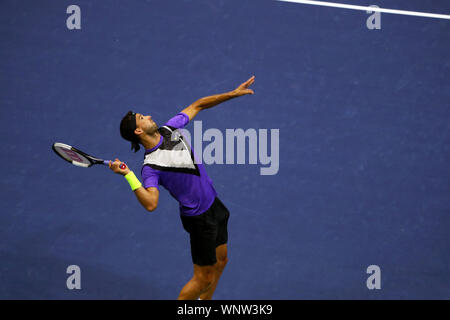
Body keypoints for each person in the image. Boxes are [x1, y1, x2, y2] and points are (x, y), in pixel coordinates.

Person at [109, 76, 255, 300]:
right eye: (142, 118)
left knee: (222, 261)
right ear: (138, 132)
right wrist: (129, 175)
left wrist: (232, 94)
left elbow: (198, 104)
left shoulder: (169, 129)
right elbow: (151, 204)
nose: (148, 116)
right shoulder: (151, 167)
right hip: (198, 220)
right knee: (203, 278)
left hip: (214, 205)